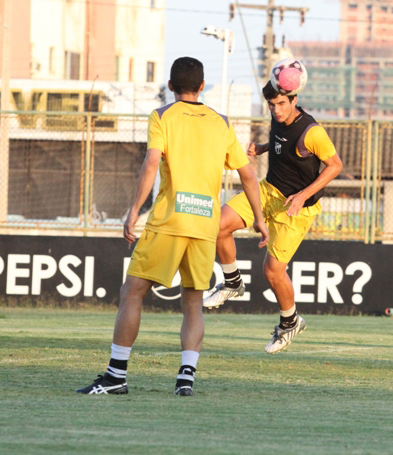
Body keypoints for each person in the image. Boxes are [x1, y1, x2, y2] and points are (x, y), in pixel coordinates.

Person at [77, 57, 268, 396]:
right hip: (205, 224)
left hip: (169, 219)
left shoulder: (162, 116)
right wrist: (260, 219)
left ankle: (116, 376)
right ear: (202, 86)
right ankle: (186, 378)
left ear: (170, 86)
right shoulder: (220, 122)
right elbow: (248, 173)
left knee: (132, 292)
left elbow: (152, 162)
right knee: (193, 302)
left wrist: (134, 210)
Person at [203, 78, 343, 354]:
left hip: (295, 207)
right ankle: (232, 282)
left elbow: (335, 166)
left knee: (272, 271)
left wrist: (303, 194)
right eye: (271, 105)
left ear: (294, 100)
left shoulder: (313, 132)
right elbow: (285, 145)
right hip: (268, 190)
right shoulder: (278, 119)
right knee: (217, 225)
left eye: (281, 103)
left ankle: (290, 323)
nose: (276, 110)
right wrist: (265, 148)